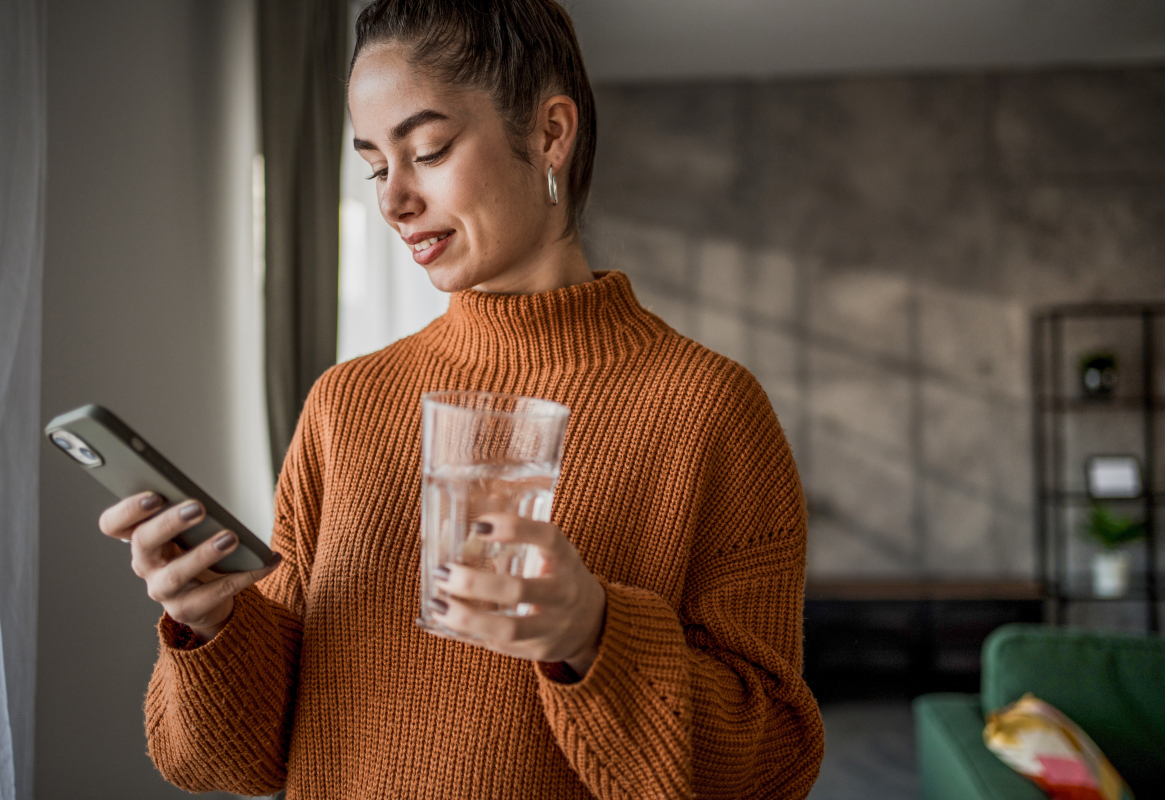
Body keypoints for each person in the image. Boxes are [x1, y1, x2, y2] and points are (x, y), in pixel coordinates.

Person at [97, 1, 824, 796]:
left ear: (550, 132)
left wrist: (593, 633)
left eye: (429, 151)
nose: (392, 201)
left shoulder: (710, 410)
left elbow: (773, 767)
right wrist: (213, 623)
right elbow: (234, 761)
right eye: (376, 165)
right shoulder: (347, 405)